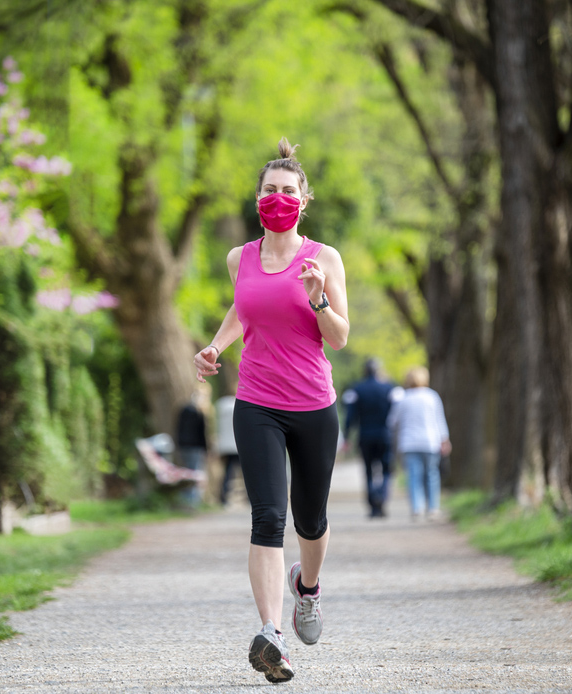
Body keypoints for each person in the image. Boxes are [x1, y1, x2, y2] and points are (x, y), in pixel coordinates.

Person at [193, 137, 349, 684]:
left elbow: (341, 337)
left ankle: (307, 588)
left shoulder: (323, 258)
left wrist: (318, 299)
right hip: (256, 401)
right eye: (269, 190)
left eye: (288, 191)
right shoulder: (241, 257)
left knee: (311, 517)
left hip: (313, 404)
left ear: (303, 200)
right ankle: (270, 634)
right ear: (257, 197)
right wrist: (216, 346)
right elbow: (243, 308)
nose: (277, 197)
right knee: (267, 517)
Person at [387, 366, 451, 521]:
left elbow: (392, 421)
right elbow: (439, 420)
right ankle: (433, 508)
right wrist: (445, 439)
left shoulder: (403, 398)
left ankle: (417, 508)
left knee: (414, 476)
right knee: (432, 474)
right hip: (430, 441)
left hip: (409, 443)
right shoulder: (432, 396)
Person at [342, 358, 403, 518]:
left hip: (365, 435)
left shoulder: (357, 389)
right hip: (385, 436)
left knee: (368, 471)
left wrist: (347, 436)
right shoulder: (389, 388)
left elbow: (351, 415)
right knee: (386, 470)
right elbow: (396, 414)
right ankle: (381, 497)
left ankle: (372, 505)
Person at [175, 388, 209, 507]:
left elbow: (178, 429)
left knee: (187, 472)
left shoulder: (185, 410)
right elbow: (201, 434)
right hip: (195, 446)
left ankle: (187, 500)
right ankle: (192, 501)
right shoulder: (198, 412)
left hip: (184, 445)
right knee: (194, 473)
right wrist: (206, 449)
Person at [214, 384, 243, 506]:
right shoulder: (240, 403)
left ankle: (223, 498)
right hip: (238, 444)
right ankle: (250, 498)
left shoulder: (220, 405)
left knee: (228, 472)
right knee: (247, 473)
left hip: (225, 445)